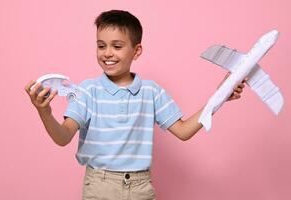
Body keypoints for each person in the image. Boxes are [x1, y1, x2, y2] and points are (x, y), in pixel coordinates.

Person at [24, 10, 245, 200]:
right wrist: (44, 111)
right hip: (100, 186)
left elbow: (184, 131)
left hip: (141, 187)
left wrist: (220, 95)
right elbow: (63, 138)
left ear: (136, 51)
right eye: (101, 45)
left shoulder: (151, 91)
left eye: (117, 46)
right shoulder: (87, 91)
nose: (107, 53)